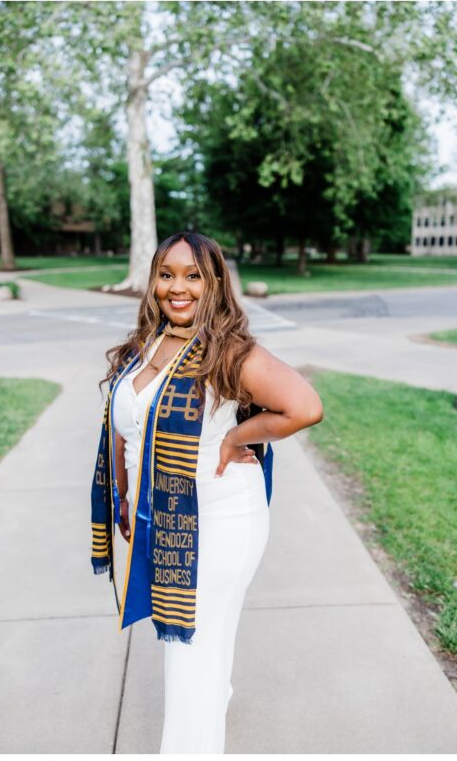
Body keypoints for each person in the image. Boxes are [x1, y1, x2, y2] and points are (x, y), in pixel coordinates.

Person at [90, 232, 322, 753]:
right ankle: (214, 700)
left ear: (214, 282)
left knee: (188, 650)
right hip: (167, 516)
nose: (178, 288)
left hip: (221, 518)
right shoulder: (143, 346)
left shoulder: (228, 352)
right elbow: (126, 431)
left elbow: (304, 406)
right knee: (207, 644)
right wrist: (125, 498)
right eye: (166, 274)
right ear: (152, 281)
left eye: (193, 275)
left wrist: (239, 435)